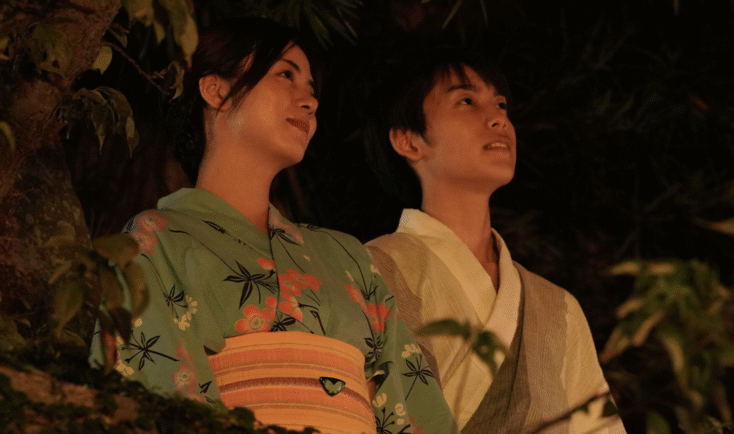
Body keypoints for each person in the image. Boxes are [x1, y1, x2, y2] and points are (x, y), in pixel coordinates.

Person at [89, 18, 457, 434]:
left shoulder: (346, 255)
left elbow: (413, 404)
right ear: (218, 90)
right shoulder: (154, 240)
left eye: (313, 91)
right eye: (286, 75)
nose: (310, 102)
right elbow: (152, 391)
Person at [363, 47, 626, 434]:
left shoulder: (558, 309)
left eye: (501, 104)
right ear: (409, 141)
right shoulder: (370, 270)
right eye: (466, 101)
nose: (498, 118)